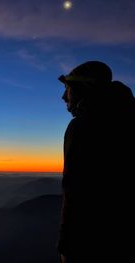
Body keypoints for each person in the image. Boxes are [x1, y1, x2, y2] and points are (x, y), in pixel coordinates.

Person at [57, 61, 135, 263]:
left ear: (84, 89)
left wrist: (67, 246)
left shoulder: (83, 126)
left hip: (95, 241)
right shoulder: (127, 119)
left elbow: (75, 190)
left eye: (68, 88)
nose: (64, 96)